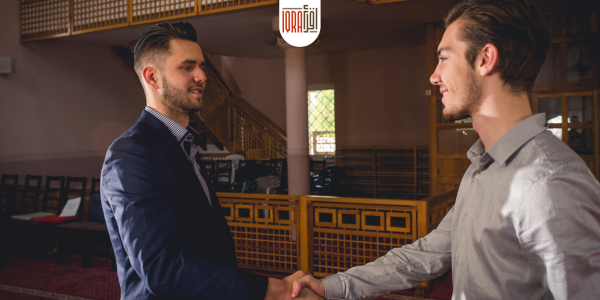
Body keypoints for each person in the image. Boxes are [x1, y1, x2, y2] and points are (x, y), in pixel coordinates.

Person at [290, 0, 600, 299]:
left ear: (485, 59)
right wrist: (331, 288)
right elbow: (432, 251)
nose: (434, 76)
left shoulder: (548, 182)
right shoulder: (482, 165)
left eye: (444, 58)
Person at [100, 22, 318, 300]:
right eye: (187, 67)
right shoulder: (132, 155)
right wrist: (270, 290)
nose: (202, 76)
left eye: (202, 66)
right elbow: (162, 270)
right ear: (152, 77)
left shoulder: (183, 143)